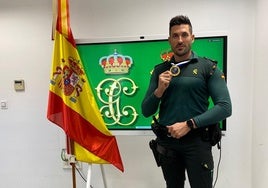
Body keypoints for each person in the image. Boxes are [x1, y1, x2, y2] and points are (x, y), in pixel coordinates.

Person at [141, 15, 232, 188]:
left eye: (184, 34)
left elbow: (225, 107)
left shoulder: (208, 67)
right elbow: (146, 110)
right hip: (168, 144)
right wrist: (159, 90)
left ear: (192, 37)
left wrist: (189, 124)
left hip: (197, 143)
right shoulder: (160, 71)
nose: (180, 40)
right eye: (175, 36)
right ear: (169, 40)